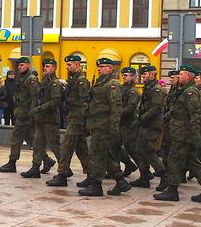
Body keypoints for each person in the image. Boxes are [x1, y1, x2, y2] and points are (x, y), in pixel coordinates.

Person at [153, 65, 201, 202]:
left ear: (187, 76)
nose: (178, 76)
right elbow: (176, 110)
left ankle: (172, 190)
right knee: (191, 161)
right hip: (179, 131)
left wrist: (194, 134)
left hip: (184, 133)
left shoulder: (190, 92)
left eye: (181, 74)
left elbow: (195, 114)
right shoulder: (183, 90)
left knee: (174, 160)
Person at [78, 58, 130, 196]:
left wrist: (113, 128)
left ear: (110, 68)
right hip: (97, 125)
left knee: (96, 155)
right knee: (104, 155)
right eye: (99, 66)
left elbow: (116, 107)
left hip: (104, 126)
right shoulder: (100, 83)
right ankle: (121, 181)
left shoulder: (112, 84)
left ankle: (96, 186)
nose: (100, 69)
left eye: (103, 66)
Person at [47, 54, 91, 187]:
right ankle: (91, 175)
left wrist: (83, 122)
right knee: (82, 149)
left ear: (77, 65)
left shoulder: (81, 81)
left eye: (69, 64)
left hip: (77, 119)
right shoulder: (72, 80)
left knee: (66, 147)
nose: (67, 66)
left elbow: (84, 102)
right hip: (73, 117)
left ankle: (62, 174)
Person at [0, 57, 38, 173]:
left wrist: (32, 113)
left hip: (26, 114)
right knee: (30, 139)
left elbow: (34, 98)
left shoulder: (31, 79)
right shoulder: (22, 78)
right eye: (19, 65)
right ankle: (46, 159)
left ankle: (12, 163)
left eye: (23, 65)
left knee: (16, 138)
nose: (20, 67)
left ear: (28, 65)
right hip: (22, 112)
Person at [22, 59, 61, 178]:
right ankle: (35, 168)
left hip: (50, 119)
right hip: (40, 118)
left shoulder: (55, 83)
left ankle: (64, 168)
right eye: (44, 66)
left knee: (55, 146)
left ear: (54, 68)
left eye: (48, 66)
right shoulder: (44, 82)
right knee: (37, 144)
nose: (45, 68)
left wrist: (39, 109)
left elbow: (55, 101)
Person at [117, 67, 141, 179]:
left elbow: (130, 107)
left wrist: (117, 113)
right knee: (114, 147)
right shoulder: (122, 88)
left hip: (128, 123)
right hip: (120, 122)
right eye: (123, 75)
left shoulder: (133, 91)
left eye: (126, 75)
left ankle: (145, 172)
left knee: (132, 149)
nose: (124, 77)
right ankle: (128, 165)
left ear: (133, 77)